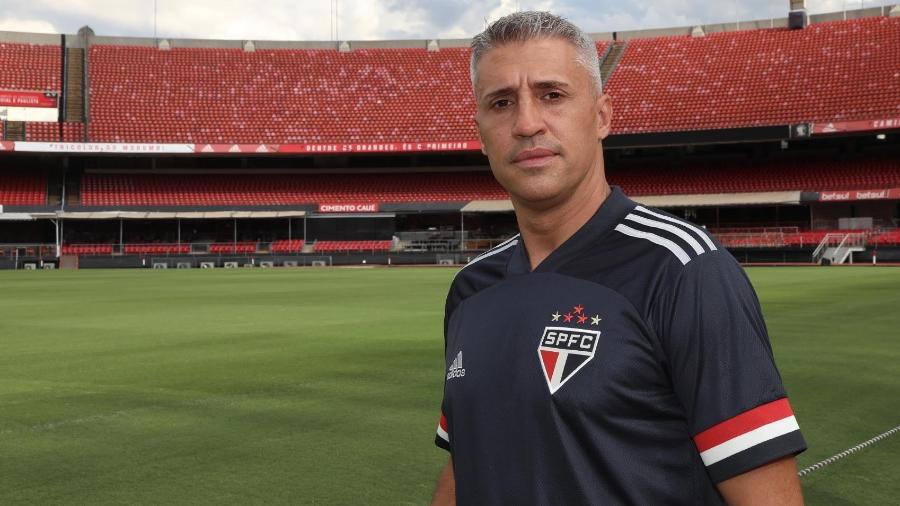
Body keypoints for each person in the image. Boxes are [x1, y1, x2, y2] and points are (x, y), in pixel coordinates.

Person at [431, 11, 806, 505]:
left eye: (552, 95)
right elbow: (467, 461)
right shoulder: (470, 290)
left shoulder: (684, 270)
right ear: (480, 133)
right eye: (501, 103)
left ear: (602, 115)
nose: (526, 123)